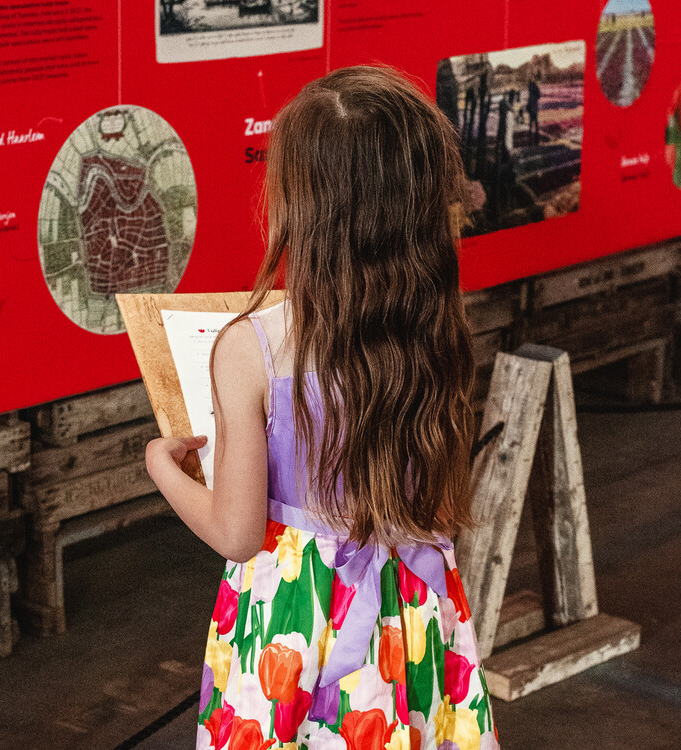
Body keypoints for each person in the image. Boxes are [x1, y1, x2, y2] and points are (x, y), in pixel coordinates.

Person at [145, 65, 499, 749]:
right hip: (412, 610)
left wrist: (163, 466)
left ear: (302, 204)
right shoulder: (432, 325)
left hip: (297, 625)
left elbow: (238, 534)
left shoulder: (251, 346)